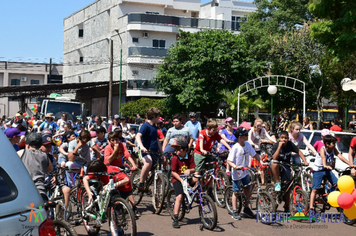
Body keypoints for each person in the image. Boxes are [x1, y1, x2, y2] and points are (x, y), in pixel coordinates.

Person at [309, 135, 355, 213]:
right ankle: (311, 208)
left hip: (327, 170)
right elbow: (323, 158)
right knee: (315, 189)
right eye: (333, 143)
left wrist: (350, 164)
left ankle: (333, 199)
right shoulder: (322, 149)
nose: (335, 145)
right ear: (327, 144)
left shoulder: (334, 149)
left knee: (338, 185)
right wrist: (325, 165)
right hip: (318, 170)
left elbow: (341, 157)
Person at [271, 131, 309, 209]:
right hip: (277, 164)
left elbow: (299, 152)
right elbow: (274, 157)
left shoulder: (290, 144)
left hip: (286, 165)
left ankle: (287, 206)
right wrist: (279, 147)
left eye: (285, 138)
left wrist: (305, 161)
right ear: (279, 138)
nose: (284, 140)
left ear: (288, 138)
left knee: (288, 185)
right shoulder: (276, 145)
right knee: (274, 162)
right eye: (282, 138)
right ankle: (277, 183)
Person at [227, 127, 259, 220]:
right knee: (236, 192)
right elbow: (229, 161)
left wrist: (262, 161)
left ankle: (246, 208)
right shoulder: (235, 148)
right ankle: (234, 210)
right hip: (237, 173)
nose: (247, 136)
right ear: (240, 137)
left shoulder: (248, 145)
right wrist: (236, 167)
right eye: (245, 135)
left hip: (245, 172)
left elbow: (255, 155)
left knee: (248, 189)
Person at [170, 138, 196, 228]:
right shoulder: (175, 158)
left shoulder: (189, 157)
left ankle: (200, 196)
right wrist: (182, 181)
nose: (176, 151)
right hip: (178, 179)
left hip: (187, 178)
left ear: (185, 149)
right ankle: (176, 218)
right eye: (175, 149)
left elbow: (194, 168)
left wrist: (190, 170)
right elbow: (173, 172)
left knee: (197, 179)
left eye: (178, 149)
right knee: (179, 197)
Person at [19, 132, 53, 201]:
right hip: (40, 192)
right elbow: (50, 169)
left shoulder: (21, 153)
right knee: (41, 210)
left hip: (24, 192)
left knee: (29, 211)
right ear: (40, 145)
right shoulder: (44, 156)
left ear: (28, 145)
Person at [135, 107, 162, 191]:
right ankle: (141, 183)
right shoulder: (145, 125)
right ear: (154, 116)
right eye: (158, 117)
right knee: (148, 163)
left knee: (157, 170)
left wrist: (162, 152)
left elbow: (156, 140)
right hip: (146, 151)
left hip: (154, 151)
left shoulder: (154, 126)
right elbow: (138, 136)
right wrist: (142, 147)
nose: (159, 119)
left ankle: (157, 194)